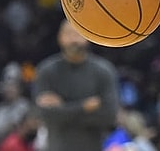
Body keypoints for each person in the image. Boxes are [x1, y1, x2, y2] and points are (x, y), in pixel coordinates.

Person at [33, 19, 120, 151]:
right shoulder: (46, 71)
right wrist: (84, 107)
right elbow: (45, 116)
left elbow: (109, 116)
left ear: (88, 37)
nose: (73, 39)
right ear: (60, 37)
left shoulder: (104, 71)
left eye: (78, 33)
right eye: (68, 34)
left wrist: (62, 109)